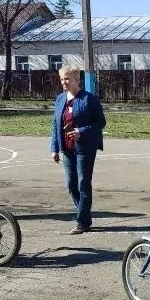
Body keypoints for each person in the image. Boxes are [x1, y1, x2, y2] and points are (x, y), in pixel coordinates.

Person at [50, 66, 106, 234]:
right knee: (71, 185)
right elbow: (55, 124)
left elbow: (100, 122)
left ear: (76, 79)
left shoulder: (89, 99)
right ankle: (85, 215)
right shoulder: (60, 99)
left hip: (85, 149)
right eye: (61, 79)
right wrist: (54, 148)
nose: (64, 82)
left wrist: (81, 131)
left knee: (83, 184)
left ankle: (82, 222)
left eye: (67, 79)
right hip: (67, 149)